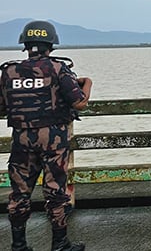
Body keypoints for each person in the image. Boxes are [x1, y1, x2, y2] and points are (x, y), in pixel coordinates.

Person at [1, 20, 92, 251]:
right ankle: (60, 244)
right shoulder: (59, 69)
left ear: (26, 44)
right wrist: (87, 83)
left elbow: (2, 108)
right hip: (53, 139)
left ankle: (19, 245)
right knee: (55, 191)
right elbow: (79, 103)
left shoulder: (9, 72)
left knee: (19, 193)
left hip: (21, 139)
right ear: (51, 44)